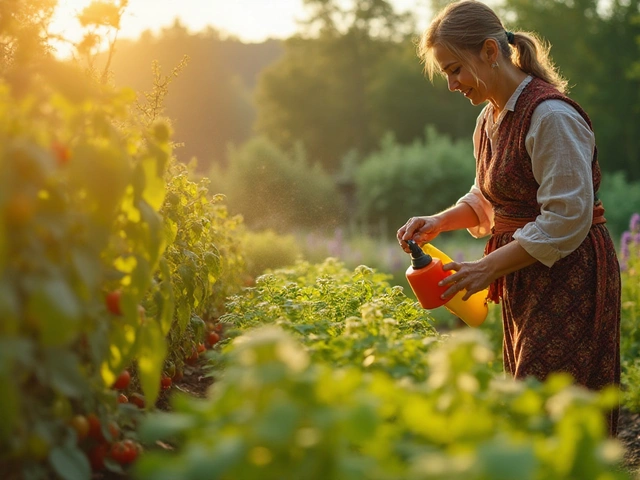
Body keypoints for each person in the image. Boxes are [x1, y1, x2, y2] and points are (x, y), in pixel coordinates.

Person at [397, 0, 621, 435]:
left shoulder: (551, 116)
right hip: (526, 273)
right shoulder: (489, 119)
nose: (451, 84)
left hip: (570, 274)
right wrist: (440, 221)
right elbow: (490, 197)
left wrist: (487, 267)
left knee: (557, 406)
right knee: (531, 401)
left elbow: (566, 218)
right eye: (445, 73)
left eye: (454, 69)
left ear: (488, 51)